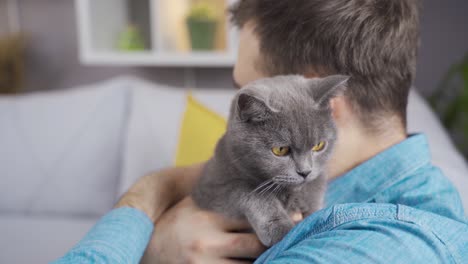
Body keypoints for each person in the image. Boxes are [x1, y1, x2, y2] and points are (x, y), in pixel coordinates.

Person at [55, 0, 468, 263]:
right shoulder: (323, 180)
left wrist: (151, 250)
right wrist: (148, 194)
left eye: (244, 88)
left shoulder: (385, 248)